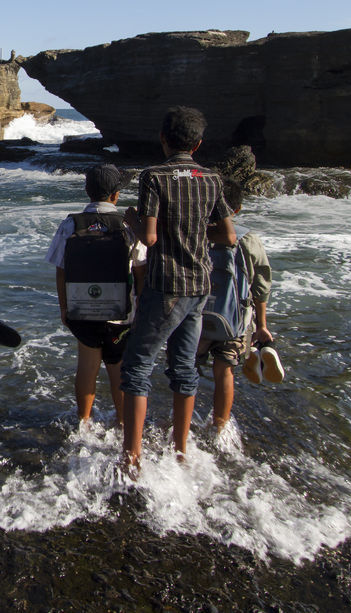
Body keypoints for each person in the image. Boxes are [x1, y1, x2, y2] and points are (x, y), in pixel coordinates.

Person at [120, 107, 235, 468]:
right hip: (200, 285)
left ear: (163, 139)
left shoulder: (153, 176)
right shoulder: (211, 178)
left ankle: (132, 458)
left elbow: (150, 237)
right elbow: (228, 235)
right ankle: (181, 450)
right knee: (184, 368)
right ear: (198, 143)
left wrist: (132, 220)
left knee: (137, 368)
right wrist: (198, 233)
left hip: (165, 285)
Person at [44, 164, 147, 427]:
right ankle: (124, 426)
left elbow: (60, 270)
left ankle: (84, 423)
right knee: (118, 368)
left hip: (81, 310)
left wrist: (64, 308)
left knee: (87, 366)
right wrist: (141, 310)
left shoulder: (71, 223)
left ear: (87, 191)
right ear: (116, 194)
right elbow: (140, 272)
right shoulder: (127, 226)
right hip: (120, 314)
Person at [197, 179, 277, 432]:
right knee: (224, 371)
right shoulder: (248, 239)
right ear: (238, 209)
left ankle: (181, 424)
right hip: (235, 319)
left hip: (195, 316)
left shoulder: (197, 235)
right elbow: (261, 287)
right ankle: (220, 426)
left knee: (184, 369)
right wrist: (262, 326)